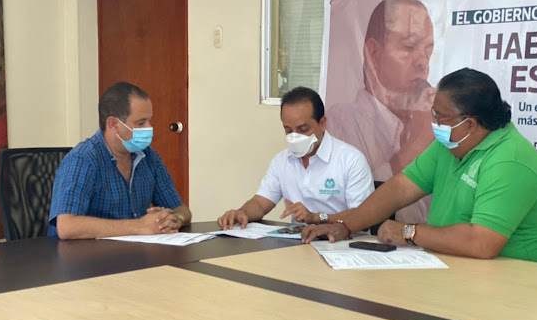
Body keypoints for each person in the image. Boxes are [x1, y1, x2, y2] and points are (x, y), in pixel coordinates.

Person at [302, 68, 537, 266]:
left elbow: (481, 243)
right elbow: (399, 189)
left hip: (523, 276)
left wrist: (409, 232)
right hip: (459, 267)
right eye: (434, 115)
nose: (435, 124)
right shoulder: (449, 145)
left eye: (441, 118)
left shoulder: (509, 160)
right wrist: (346, 225)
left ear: (470, 123)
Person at [326, 0, 435, 224]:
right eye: (409, 47)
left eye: (428, 50)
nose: (422, 62)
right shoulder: (339, 122)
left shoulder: (430, 123)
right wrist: (415, 146)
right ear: (373, 53)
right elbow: (353, 205)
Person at [48, 82, 191, 239]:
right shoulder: (83, 160)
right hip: (87, 253)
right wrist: (139, 226)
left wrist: (174, 220)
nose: (149, 127)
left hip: (135, 250)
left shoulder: (148, 157)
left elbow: (182, 210)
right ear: (114, 124)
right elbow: (67, 227)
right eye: (141, 122)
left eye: (149, 120)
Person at [217, 86, 374, 230]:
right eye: (288, 130)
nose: (295, 136)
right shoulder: (281, 161)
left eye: (303, 129)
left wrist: (317, 218)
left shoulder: (351, 160)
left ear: (322, 123)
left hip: (342, 243)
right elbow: (260, 202)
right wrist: (242, 212)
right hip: (299, 242)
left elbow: (363, 216)